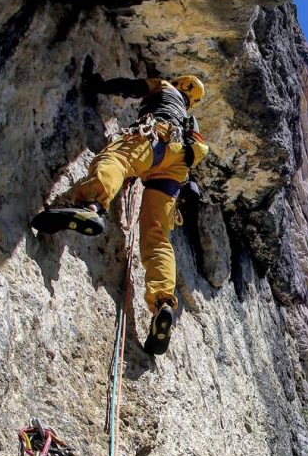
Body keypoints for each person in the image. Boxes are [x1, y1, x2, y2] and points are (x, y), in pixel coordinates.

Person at [32, 74, 208, 355]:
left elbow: (132, 87)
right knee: (157, 237)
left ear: (179, 83)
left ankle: (90, 206)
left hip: (156, 136)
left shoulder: (165, 87)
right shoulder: (189, 122)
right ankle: (163, 302)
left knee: (117, 159)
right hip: (177, 168)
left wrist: (98, 84)